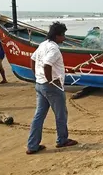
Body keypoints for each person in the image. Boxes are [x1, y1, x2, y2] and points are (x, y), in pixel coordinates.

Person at [27, 22, 77, 154]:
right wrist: (50, 81)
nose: (64, 38)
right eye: (63, 35)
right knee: (61, 114)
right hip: (51, 87)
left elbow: (32, 59)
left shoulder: (43, 44)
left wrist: (37, 76)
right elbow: (47, 65)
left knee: (39, 116)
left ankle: (32, 146)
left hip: (40, 85)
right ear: (57, 35)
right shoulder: (54, 49)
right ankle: (62, 140)